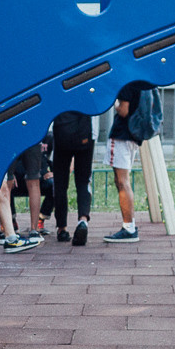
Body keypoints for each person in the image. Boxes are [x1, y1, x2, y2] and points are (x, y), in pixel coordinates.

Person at [102, 83, 145, 243]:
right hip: (133, 135)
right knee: (123, 181)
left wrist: (114, 103)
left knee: (122, 182)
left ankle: (129, 227)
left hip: (122, 134)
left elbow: (124, 110)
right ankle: (130, 226)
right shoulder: (142, 81)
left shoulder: (128, 83)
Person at [51, 110, 97, 245]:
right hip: (85, 132)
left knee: (60, 183)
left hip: (62, 133)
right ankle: (83, 220)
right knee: (83, 181)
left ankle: (62, 228)